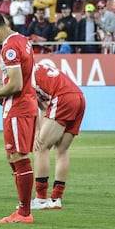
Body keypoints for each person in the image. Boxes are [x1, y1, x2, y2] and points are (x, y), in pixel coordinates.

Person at [0, 10, 37, 224]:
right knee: (12, 156)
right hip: (23, 105)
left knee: (19, 157)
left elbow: (16, 84)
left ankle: (24, 212)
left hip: (18, 107)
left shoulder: (10, 47)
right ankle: (23, 207)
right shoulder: (22, 40)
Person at [29, 63, 85, 209]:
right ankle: (56, 199)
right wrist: (42, 129)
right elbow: (45, 108)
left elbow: (32, 106)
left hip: (62, 98)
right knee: (62, 150)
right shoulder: (37, 68)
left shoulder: (23, 76)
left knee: (40, 147)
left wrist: (36, 133)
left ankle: (40, 199)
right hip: (78, 97)